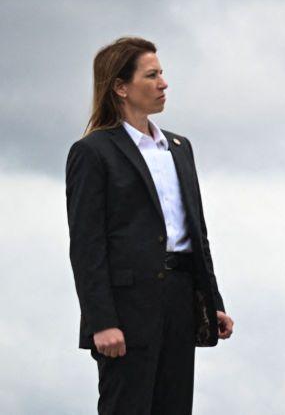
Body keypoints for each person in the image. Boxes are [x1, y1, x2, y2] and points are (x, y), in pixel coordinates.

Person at [65, 37, 234, 414]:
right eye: (152, 74)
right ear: (121, 87)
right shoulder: (93, 152)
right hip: (126, 310)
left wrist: (212, 302)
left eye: (162, 74)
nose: (163, 83)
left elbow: (196, 235)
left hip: (180, 301)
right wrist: (101, 321)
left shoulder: (179, 147)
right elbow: (87, 245)